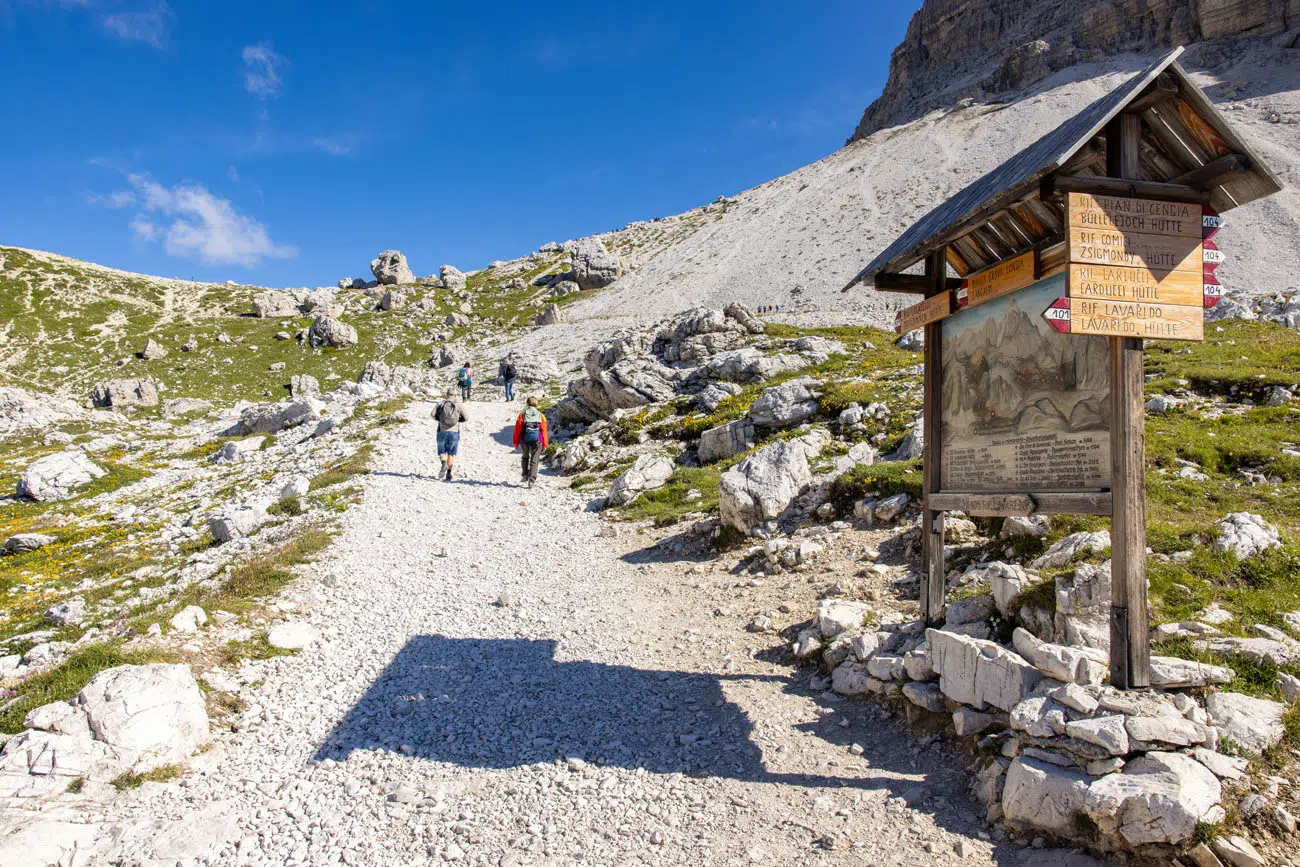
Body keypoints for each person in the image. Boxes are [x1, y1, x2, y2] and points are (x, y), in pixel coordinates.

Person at [512, 396, 549, 487]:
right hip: (537, 440)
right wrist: (545, 444)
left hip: (524, 440)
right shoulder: (541, 415)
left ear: (527, 404)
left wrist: (516, 442)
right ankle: (532, 480)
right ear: (536, 404)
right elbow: (544, 430)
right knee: (534, 460)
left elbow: (517, 429)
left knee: (525, 457)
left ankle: (525, 475)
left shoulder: (522, 414)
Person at [434, 388, 468, 482]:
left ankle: (443, 463)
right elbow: (466, 417)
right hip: (454, 431)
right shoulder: (459, 405)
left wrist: (440, 420)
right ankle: (449, 473)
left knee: (441, 451)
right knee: (451, 452)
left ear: (447, 394)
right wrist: (458, 420)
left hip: (441, 430)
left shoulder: (440, 404)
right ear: (455, 395)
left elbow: (432, 415)